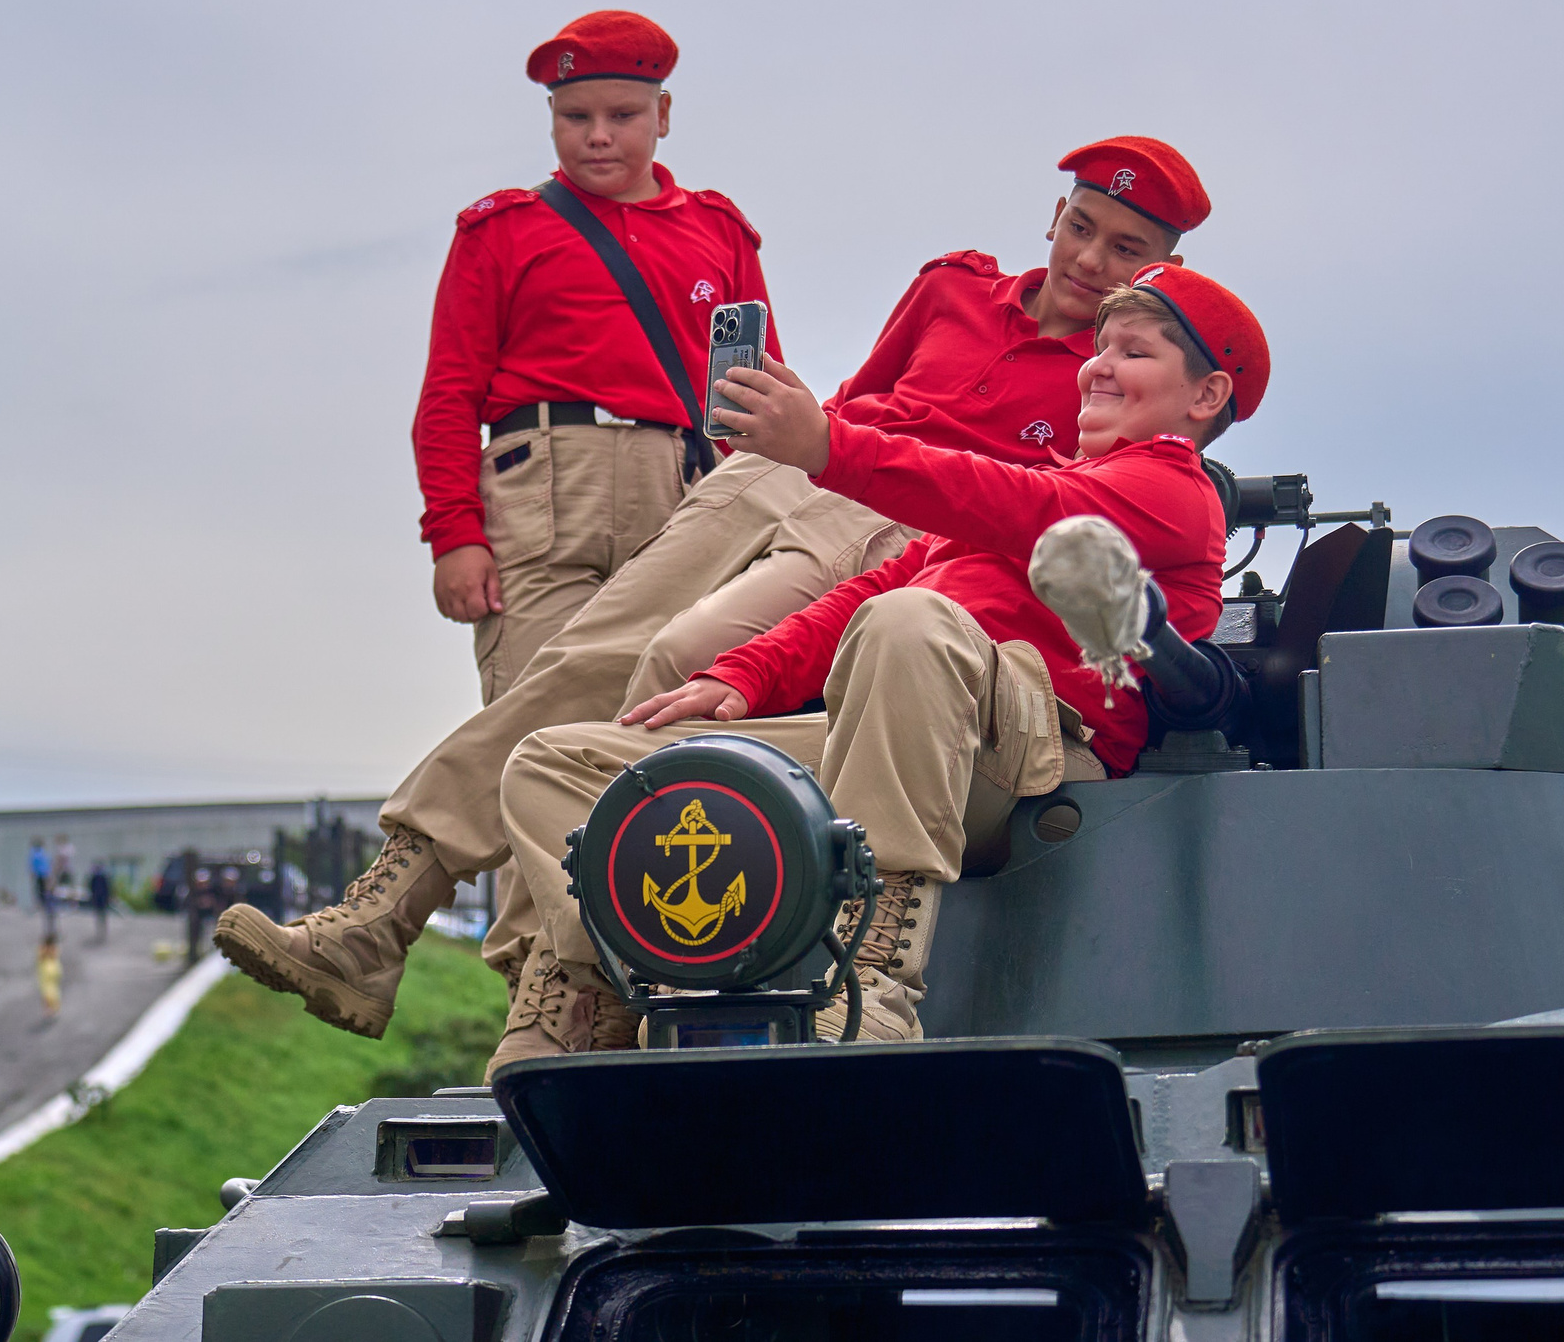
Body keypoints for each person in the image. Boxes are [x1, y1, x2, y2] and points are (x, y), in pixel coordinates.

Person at [217, 135, 1214, 1041]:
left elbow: (1028, 511)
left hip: (919, 521)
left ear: (1160, 273)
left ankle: (570, 985)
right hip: (805, 470)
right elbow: (865, 396)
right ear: (1053, 217)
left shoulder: (1119, 371)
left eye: (1125, 250)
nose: (1088, 262)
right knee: (592, 655)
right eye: (1080, 226)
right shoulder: (952, 287)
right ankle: (385, 909)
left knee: (671, 666)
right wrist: (788, 439)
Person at [490, 263, 1267, 1065]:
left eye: (1133, 352)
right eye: (1098, 345)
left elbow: (1016, 515)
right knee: (554, 764)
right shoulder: (1050, 480)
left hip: (1025, 755)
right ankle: (624, 982)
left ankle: (873, 973)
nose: (1097, 363)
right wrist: (741, 676)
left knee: (909, 622)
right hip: (887, 728)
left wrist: (829, 446)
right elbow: (874, 582)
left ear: (1204, 396)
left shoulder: (1172, 490)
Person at [37, 934, 63, 1019]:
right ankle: (50, 1009)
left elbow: (54, 956)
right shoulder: (42, 950)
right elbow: (41, 957)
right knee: (47, 993)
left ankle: (54, 1009)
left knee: (53, 992)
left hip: (51, 972)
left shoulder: (53, 950)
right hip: (45, 973)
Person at [87, 862, 113, 939]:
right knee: (100, 916)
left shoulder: (101, 878)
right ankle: (101, 932)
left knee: (102, 916)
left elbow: (108, 889)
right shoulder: (96, 878)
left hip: (101, 900)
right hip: (99, 900)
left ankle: (102, 931)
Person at [28, 836, 51, 911]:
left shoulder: (34, 853)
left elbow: (32, 865)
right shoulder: (42, 853)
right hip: (43, 874)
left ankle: (40, 904)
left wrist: (32, 874)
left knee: (39, 890)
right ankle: (43, 904)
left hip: (39, 874)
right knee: (42, 890)